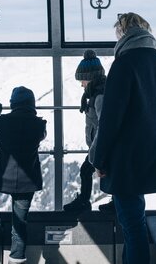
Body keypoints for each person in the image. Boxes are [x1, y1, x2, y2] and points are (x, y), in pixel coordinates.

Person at [90, 13, 156, 264]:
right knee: (134, 223)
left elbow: (110, 119)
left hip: (126, 159)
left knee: (133, 227)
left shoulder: (123, 63)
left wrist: (99, 159)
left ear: (123, 33)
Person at [0, 86, 47, 264]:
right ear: (32, 104)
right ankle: (16, 259)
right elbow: (42, 136)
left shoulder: (3, 121)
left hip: (1, 178)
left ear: (13, 104)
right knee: (20, 223)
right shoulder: (39, 125)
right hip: (28, 182)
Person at [63, 50, 114, 213]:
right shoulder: (97, 93)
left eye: (83, 80)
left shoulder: (100, 97)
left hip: (102, 146)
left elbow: (104, 126)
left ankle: (88, 202)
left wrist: (95, 156)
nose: (81, 84)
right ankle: (113, 201)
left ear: (90, 78)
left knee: (89, 170)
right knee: (88, 171)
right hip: (100, 145)